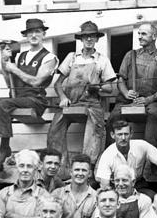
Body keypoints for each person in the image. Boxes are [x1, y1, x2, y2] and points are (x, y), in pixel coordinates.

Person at [0, 18, 58, 169]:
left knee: (3, 104)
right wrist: (4, 61)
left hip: (36, 101)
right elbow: (7, 78)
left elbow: (37, 82)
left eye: (37, 31)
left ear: (43, 34)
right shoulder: (20, 56)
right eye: (30, 32)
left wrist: (14, 69)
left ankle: (4, 148)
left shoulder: (50, 58)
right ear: (26, 36)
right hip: (17, 99)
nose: (34, 35)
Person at [48, 21, 115, 169]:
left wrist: (97, 89)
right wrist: (63, 98)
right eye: (86, 37)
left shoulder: (101, 60)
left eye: (92, 36)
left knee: (96, 129)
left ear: (97, 39)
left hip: (91, 103)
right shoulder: (72, 57)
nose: (89, 39)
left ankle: (87, 166)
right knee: (55, 128)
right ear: (81, 39)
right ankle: (60, 167)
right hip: (71, 103)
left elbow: (109, 88)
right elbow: (58, 84)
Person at [111, 22, 157, 146]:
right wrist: (126, 93)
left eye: (144, 34)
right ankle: (112, 152)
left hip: (151, 101)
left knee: (154, 114)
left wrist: (148, 99)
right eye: (139, 33)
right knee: (114, 116)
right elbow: (121, 79)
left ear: (154, 36)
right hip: (127, 100)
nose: (140, 36)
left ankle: (150, 157)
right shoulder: (130, 55)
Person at [95, 120, 157, 191]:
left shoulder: (142, 145)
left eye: (126, 134)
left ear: (131, 134)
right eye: (119, 134)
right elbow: (105, 185)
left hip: (137, 184)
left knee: (150, 196)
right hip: (117, 186)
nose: (123, 138)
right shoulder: (107, 154)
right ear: (112, 135)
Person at [51, 154, 97, 218]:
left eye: (84, 170)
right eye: (77, 170)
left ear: (89, 174)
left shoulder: (96, 197)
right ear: (70, 172)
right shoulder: (57, 194)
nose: (80, 173)